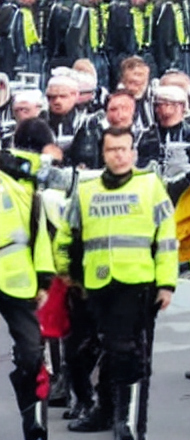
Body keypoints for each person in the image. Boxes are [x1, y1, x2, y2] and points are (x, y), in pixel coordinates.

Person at [54, 126, 178, 440]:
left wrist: (166, 284)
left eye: (124, 149)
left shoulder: (150, 185)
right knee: (100, 349)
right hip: (95, 285)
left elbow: (166, 238)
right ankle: (106, 410)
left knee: (128, 353)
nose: (119, 155)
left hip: (137, 284)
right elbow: (66, 234)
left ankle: (131, 423)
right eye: (112, 150)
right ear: (103, 153)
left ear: (134, 153)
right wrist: (65, 271)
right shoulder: (86, 189)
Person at [0, 149, 56, 440]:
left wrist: (44, 279)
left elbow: (38, 227)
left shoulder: (14, 176)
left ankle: (35, 428)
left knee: (32, 355)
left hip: (17, 279)